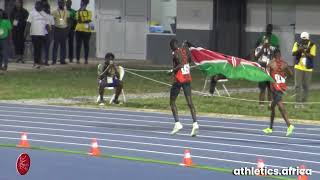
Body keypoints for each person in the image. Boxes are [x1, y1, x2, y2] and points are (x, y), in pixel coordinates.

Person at [168, 39, 199, 137]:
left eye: (171, 47)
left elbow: (181, 64)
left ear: (173, 46)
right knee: (190, 102)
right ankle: (195, 123)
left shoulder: (175, 53)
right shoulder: (185, 51)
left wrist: (172, 71)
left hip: (179, 79)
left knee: (172, 102)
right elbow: (189, 61)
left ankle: (177, 123)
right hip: (187, 78)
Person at [263, 49, 294, 136]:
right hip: (282, 87)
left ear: (273, 56)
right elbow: (291, 74)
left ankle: (289, 125)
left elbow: (268, 77)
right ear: (280, 55)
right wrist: (284, 78)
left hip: (275, 88)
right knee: (275, 108)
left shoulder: (270, 64)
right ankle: (270, 128)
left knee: (278, 106)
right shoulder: (285, 64)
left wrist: (272, 86)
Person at [292, 32, 317, 108]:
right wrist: (299, 50)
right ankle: (297, 103)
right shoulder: (297, 44)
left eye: (305, 39)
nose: (304, 41)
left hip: (308, 68)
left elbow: (311, 56)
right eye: (303, 39)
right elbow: (293, 53)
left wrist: (303, 51)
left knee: (306, 86)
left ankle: (304, 102)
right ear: (301, 38)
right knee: (297, 85)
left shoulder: (312, 45)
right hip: (298, 67)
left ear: (308, 38)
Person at [25, 1, 48, 68]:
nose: (37, 6)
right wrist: (26, 33)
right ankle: (35, 62)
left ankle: (39, 61)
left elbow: (46, 23)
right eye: (36, 5)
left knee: (40, 48)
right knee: (36, 48)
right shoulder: (32, 13)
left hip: (42, 34)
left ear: (41, 6)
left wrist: (49, 31)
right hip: (34, 34)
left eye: (39, 5)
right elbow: (28, 24)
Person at [255, 38, 276, 108]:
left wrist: (269, 49)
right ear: (262, 42)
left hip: (270, 70)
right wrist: (263, 48)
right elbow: (257, 56)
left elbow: (276, 57)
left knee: (270, 88)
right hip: (262, 70)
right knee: (262, 88)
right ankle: (261, 104)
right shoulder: (259, 48)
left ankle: (270, 103)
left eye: (268, 43)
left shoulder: (273, 48)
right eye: (265, 42)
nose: (266, 44)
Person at [75, 0, 93, 64]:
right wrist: (80, 10)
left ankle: (86, 59)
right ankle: (77, 59)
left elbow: (88, 20)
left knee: (86, 45)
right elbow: (78, 20)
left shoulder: (89, 12)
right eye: (81, 3)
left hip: (87, 31)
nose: (82, 5)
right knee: (78, 45)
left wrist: (84, 20)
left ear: (86, 4)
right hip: (78, 30)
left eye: (83, 4)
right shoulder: (77, 12)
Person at [52, 0, 70, 65]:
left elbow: (67, 21)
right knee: (55, 46)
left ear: (64, 3)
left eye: (62, 3)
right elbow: (52, 21)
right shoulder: (54, 11)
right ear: (58, 3)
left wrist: (67, 30)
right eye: (60, 2)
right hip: (57, 29)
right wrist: (53, 31)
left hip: (64, 29)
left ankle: (62, 60)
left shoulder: (67, 12)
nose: (61, 4)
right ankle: (54, 61)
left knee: (63, 46)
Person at [42, 1, 54, 66]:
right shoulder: (40, 15)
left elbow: (52, 26)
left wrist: (51, 35)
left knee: (46, 48)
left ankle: (45, 61)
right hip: (40, 34)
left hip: (47, 34)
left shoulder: (50, 16)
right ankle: (42, 61)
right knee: (42, 48)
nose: (46, 9)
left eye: (46, 8)